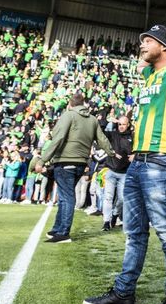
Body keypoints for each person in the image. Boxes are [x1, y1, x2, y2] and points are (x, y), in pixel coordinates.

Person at [83, 25, 166, 304]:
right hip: (139, 162)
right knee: (134, 232)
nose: (141, 45)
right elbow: (142, 63)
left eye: (147, 41)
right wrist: (150, 53)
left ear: (164, 46)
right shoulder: (149, 74)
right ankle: (124, 292)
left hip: (161, 160)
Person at [33, 91, 115, 243]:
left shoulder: (68, 115)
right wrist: (112, 153)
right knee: (65, 197)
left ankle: (63, 232)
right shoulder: (92, 120)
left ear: (70, 104)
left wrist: (43, 160)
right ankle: (57, 228)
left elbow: (58, 138)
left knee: (66, 197)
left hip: (65, 161)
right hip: (81, 162)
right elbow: (102, 139)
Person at [101, 115, 132, 232]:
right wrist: (107, 121)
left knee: (122, 199)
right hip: (111, 171)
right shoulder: (113, 134)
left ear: (128, 124)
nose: (121, 126)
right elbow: (100, 131)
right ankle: (106, 221)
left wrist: (134, 155)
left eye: (124, 124)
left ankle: (115, 214)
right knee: (108, 197)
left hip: (124, 173)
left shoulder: (132, 137)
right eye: (119, 124)